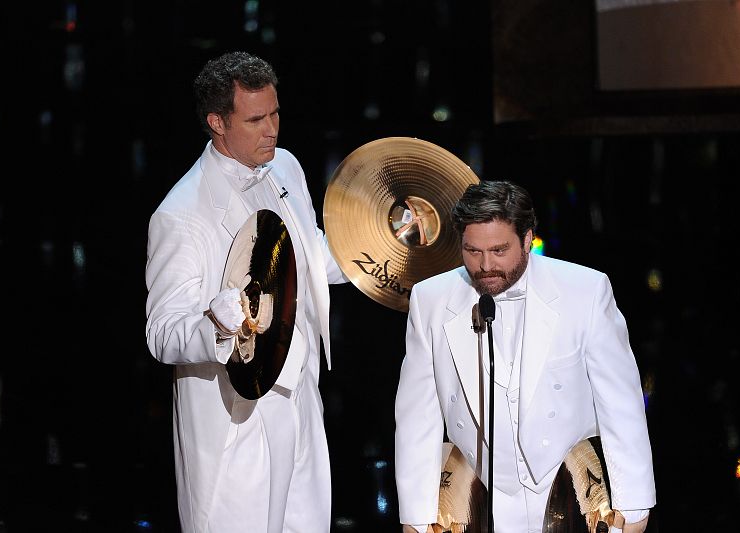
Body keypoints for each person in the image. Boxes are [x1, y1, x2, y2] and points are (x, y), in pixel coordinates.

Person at [145, 51, 347, 533]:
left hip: (300, 397)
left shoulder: (287, 168)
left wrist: (382, 240)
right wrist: (215, 323)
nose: (272, 129)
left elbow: (309, 258)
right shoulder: (180, 214)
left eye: (275, 113)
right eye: (255, 119)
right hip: (236, 416)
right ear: (217, 122)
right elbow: (162, 332)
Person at [394, 180, 655, 533]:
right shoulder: (430, 300)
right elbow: (416, 416)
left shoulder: (586, 290)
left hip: (570, 488)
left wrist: (635, 505)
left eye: (500, 250)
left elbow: (621, 404)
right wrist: (415, 515)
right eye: (473, 251)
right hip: (478, 493)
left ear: (528, 239)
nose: (486, 265)